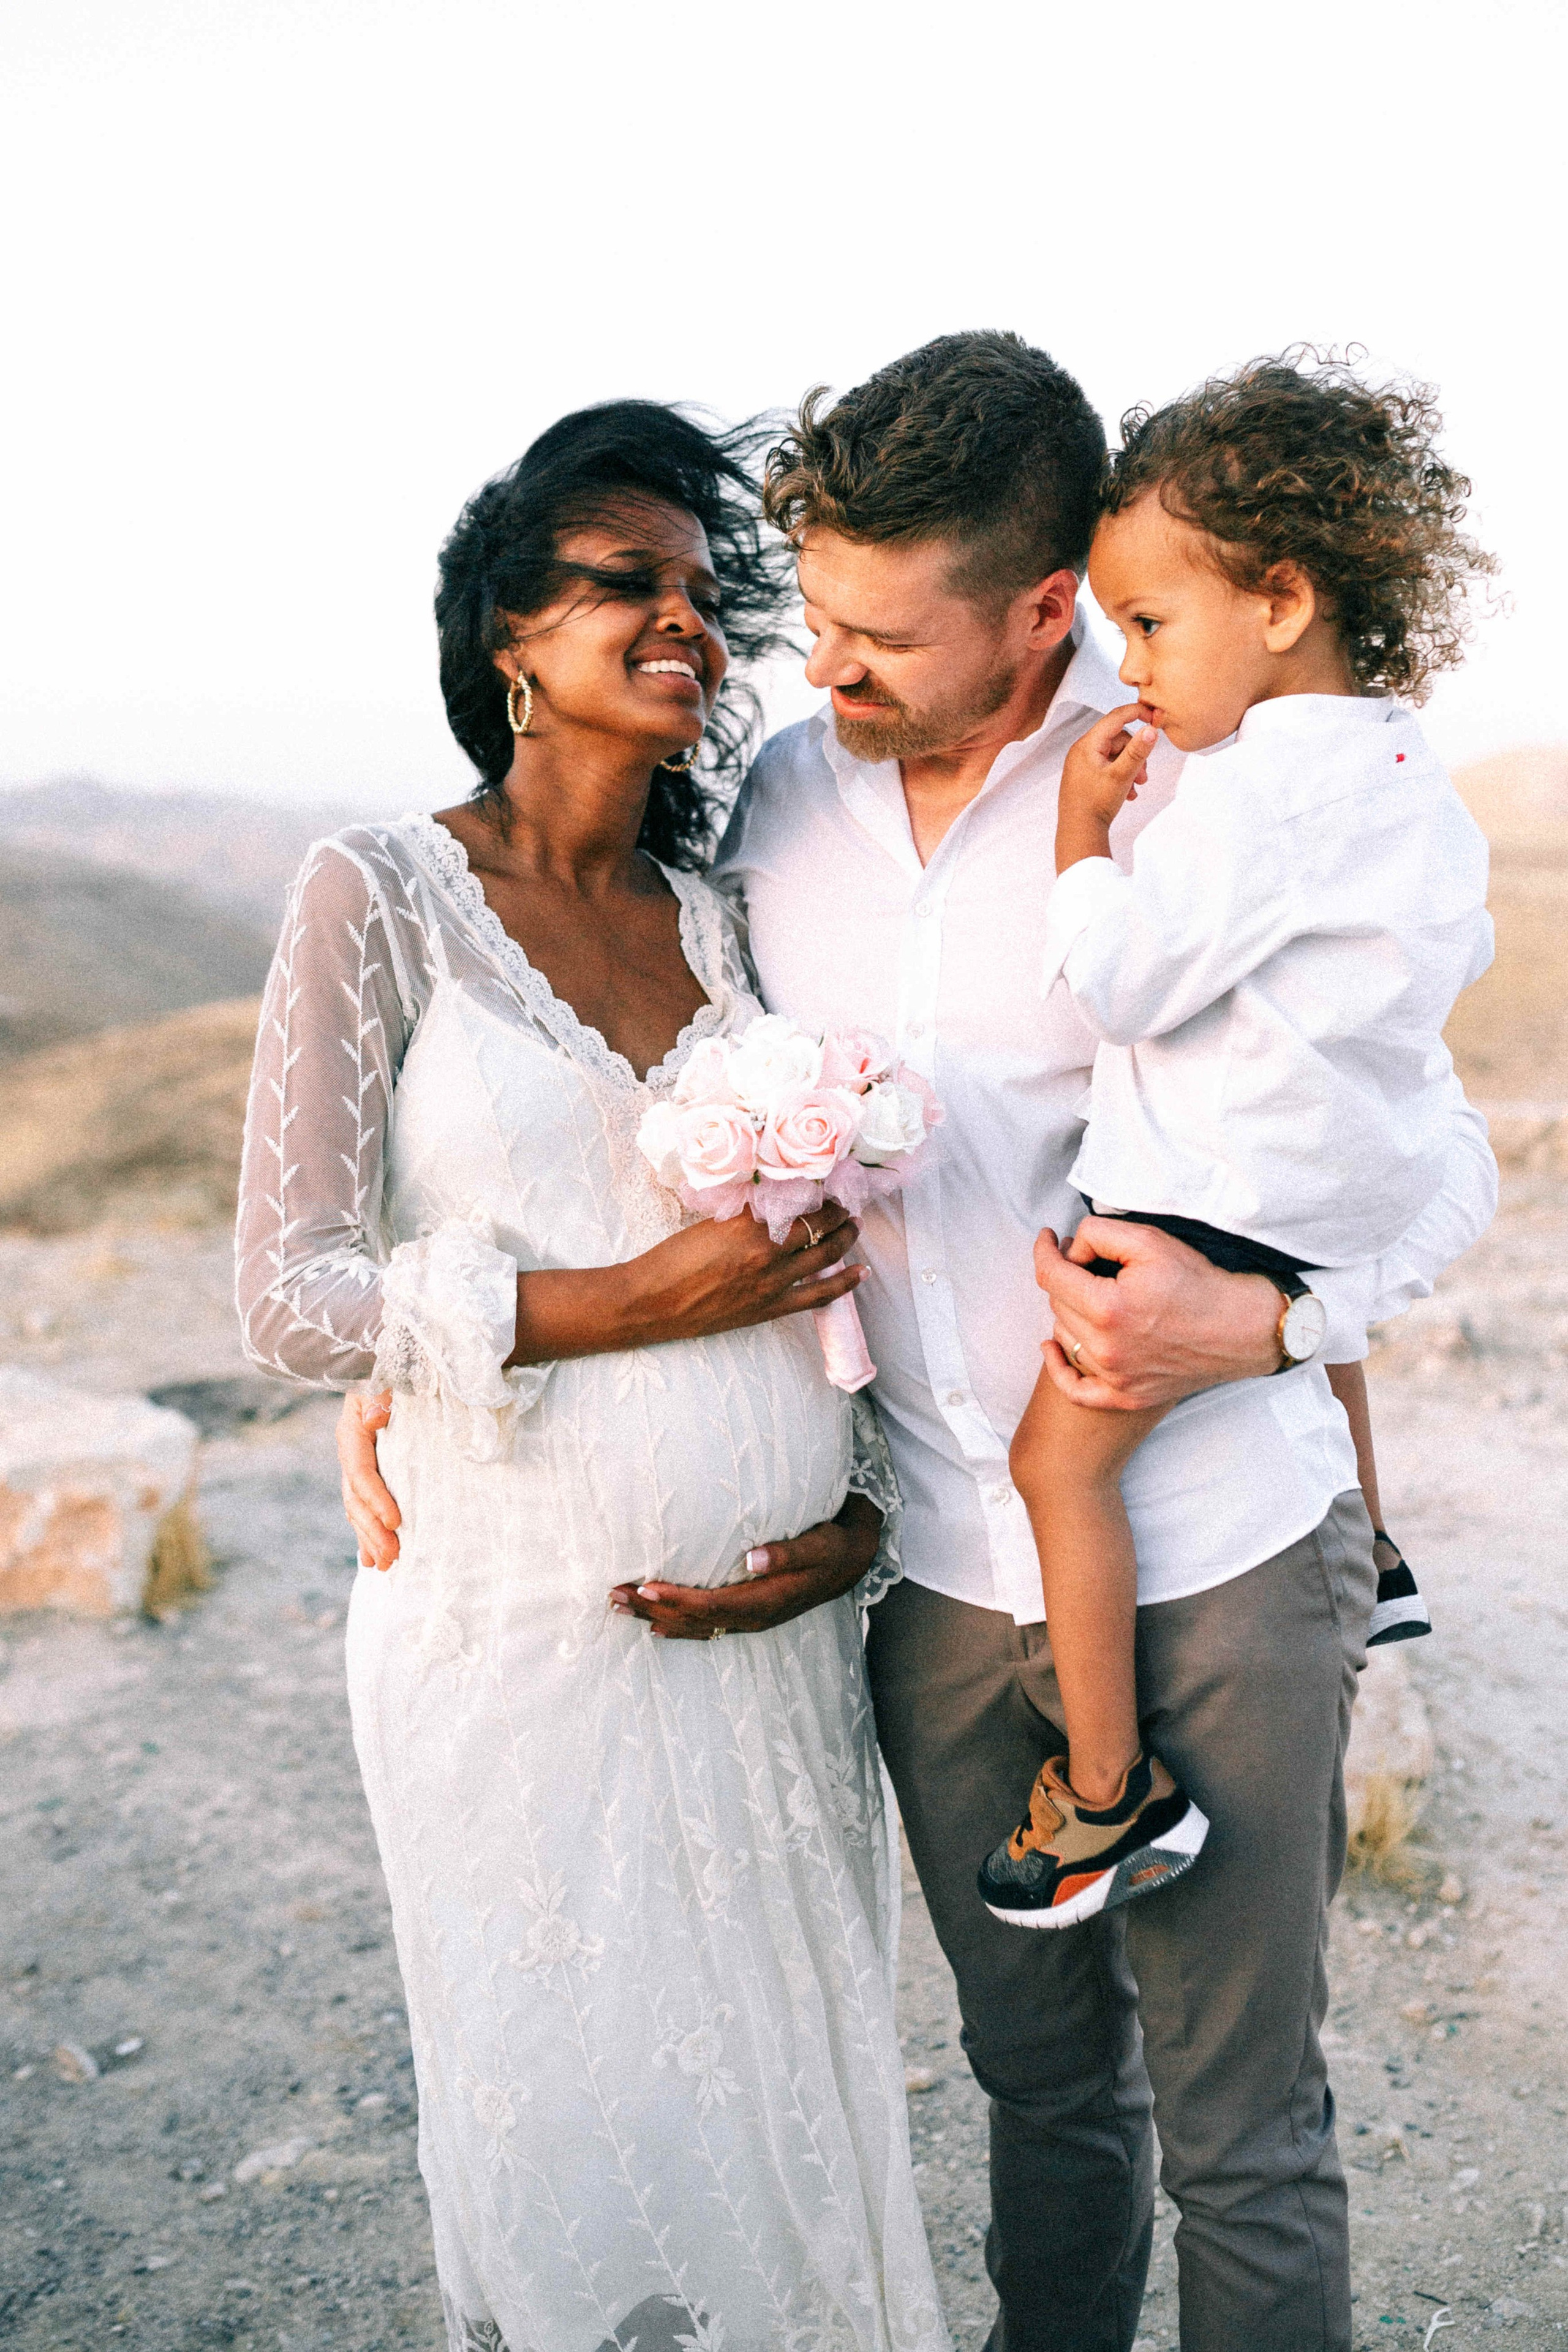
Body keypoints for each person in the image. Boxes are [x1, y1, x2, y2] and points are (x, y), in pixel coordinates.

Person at [718, 334, 1494, 2352]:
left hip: (1229, 1544)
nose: (831, 676)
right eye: (820, 624)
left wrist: (1285, 1319)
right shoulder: (781, 806)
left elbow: (1443, 1157)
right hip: (945, 1581)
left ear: (1044, 607)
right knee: (1042, 2097)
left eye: (883, 635)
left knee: (1246, 2135)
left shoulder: (1212, 787)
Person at [238, 402, 951, 2352]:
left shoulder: (730, 922)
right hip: (514, 1638)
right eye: (624, 582)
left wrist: (860, 1528)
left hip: (774, 1648)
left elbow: (833, 1268)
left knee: (782, 2122)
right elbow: (292, 1305)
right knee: (576, 2143)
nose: (685, 621)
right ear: (507, 639)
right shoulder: (374, 894)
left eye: (702, 594)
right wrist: (622, 1306)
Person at [980, 354, 1493, 1934]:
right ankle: (1379, 1551)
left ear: (1279, 599)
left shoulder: (1255, 791)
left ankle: (1108, 1792)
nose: (1128, 664)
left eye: (1148, 623)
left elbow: (1126, 975)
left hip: (1197, 1209)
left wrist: (1079, 843)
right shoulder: (1406, 766)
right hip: (1324, 1200)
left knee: (1054, 1464)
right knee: (1321, 1348)